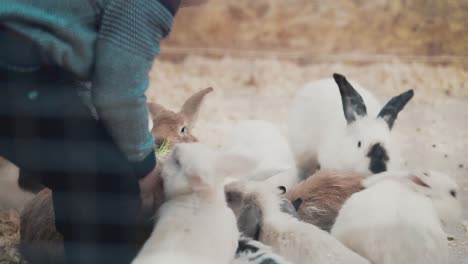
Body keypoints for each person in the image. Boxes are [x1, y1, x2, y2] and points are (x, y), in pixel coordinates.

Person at [0, 0, 206, 263]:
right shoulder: (144, 6)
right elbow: (119, 95)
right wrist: (145, 164)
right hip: (16, 69)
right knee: (112, 184)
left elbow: (89, 82)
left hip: (28, 64)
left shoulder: (179, 141)